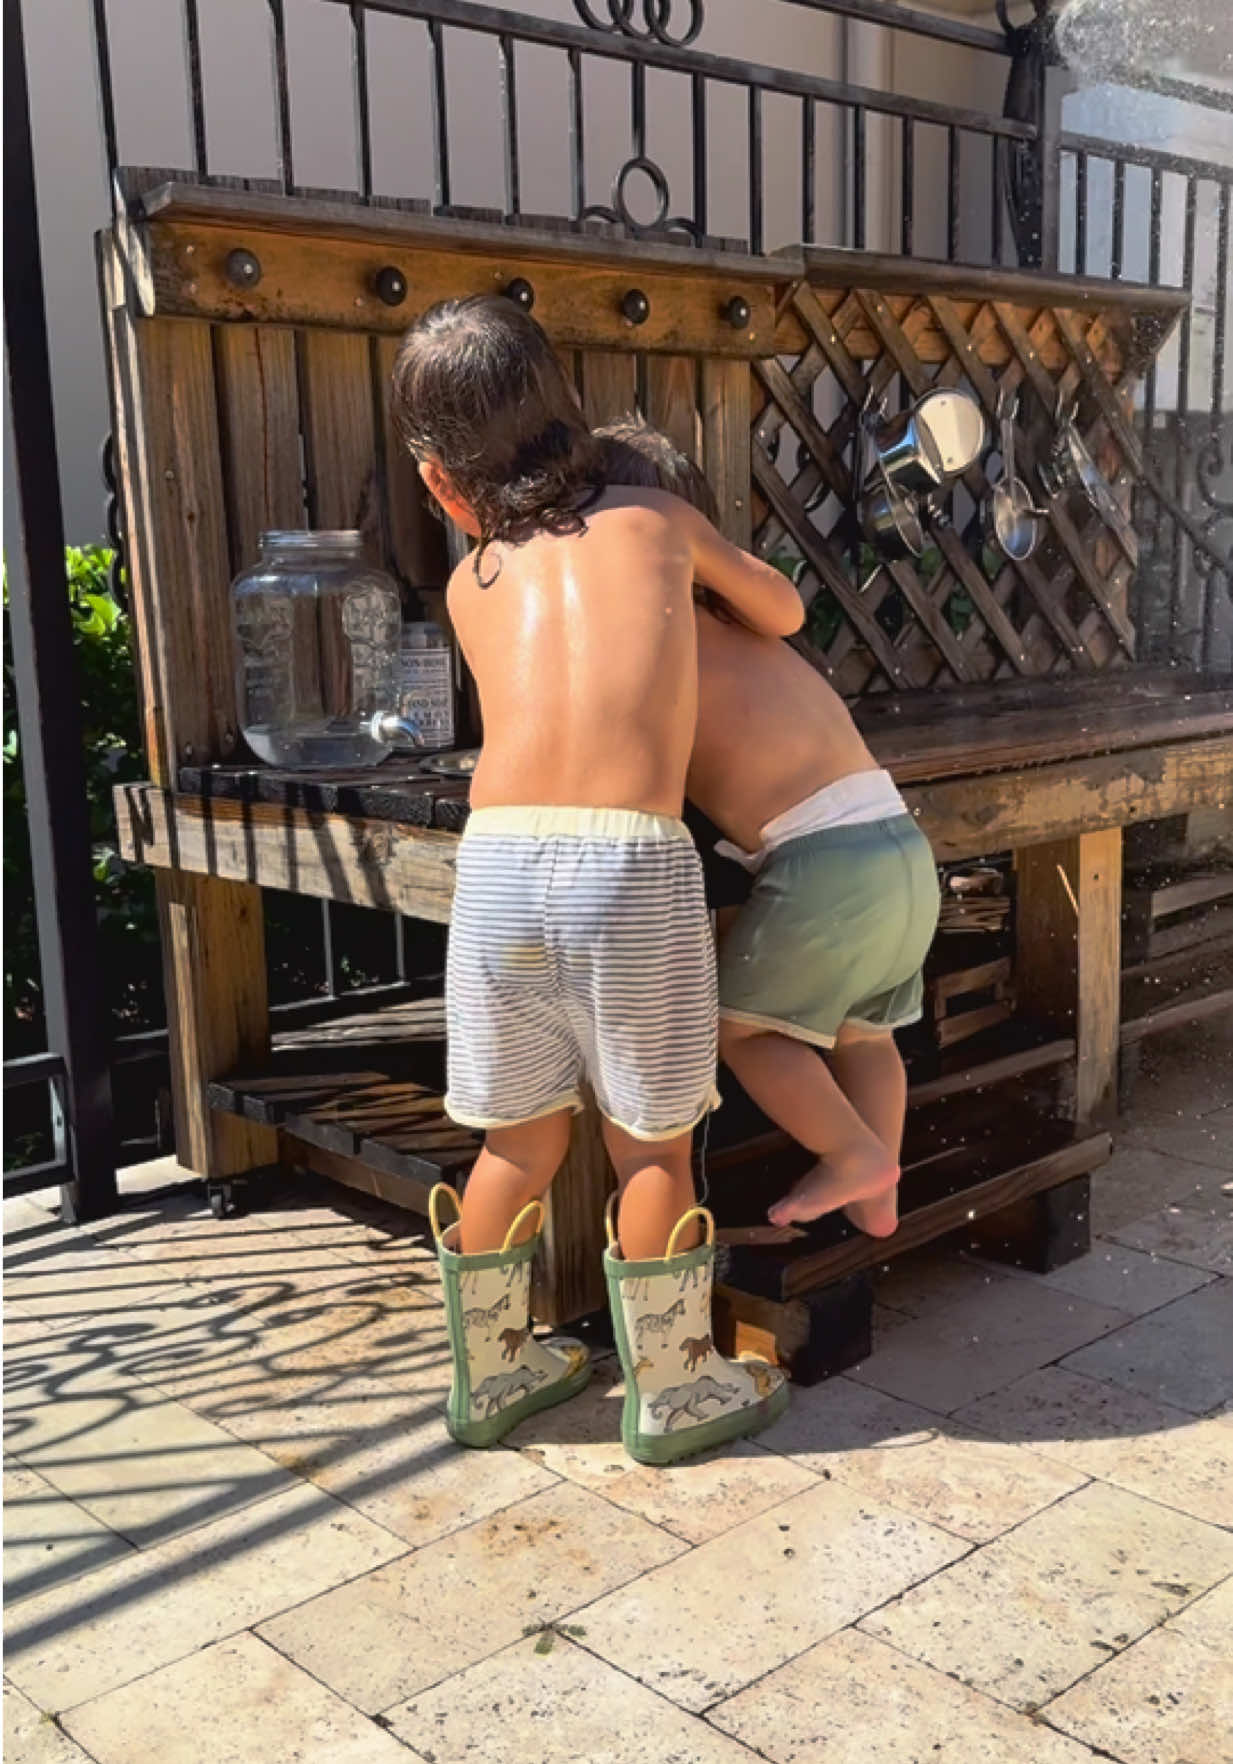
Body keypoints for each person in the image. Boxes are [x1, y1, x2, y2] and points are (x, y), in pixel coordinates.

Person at [391, 296, 800, 1460]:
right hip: (627, 861)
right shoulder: (656, 520)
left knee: (515, 1143)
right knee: (651, 1147)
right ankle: (671, 1393)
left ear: (440, 485)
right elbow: (783, 608)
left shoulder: (471, 585)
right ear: (570, 417)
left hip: (498, 865)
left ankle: (491, 1378)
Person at [598, 418, 940, 1241]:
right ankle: (876, 1190)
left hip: (824, 866)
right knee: (865, 1034)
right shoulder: (746, 625)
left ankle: (851, 1155)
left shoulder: (656, 640)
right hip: (900, 847)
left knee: (742, 1031)